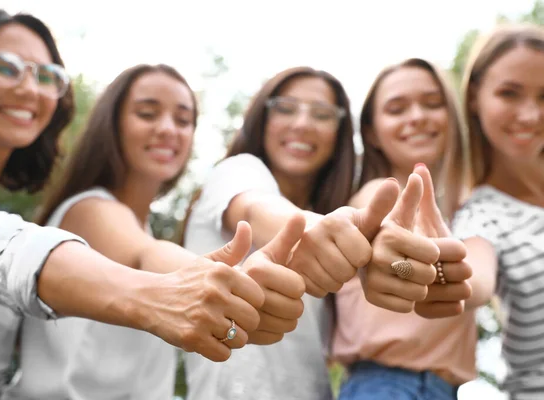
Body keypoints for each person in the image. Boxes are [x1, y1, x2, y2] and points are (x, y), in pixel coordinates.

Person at [0, 9, 300, 397]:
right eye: (8, 67)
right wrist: (204, 285)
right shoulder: (89, 210)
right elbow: (147, 256)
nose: (30, 88)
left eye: (47, 76)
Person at [182, 66, 434, 400]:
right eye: (286, 108)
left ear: (339, 133)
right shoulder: (239, 171)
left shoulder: (334, 214)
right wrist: (328, 234)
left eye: (322, 114)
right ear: (263, 119)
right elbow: (258, 209)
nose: (302, 123)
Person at [332, 58, 475, 400]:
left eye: (432, 103)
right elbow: (379, 227)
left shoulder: (466, 209)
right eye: (397, 109)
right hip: (384, 387)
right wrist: (402, 260)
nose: (417, 117)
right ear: (371, 132)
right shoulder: (374, 196)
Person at [451, 24, 544, 399]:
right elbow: (470, 279)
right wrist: (419, 269)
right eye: (509, 93)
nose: (530, 115)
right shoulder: (481, 215)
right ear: (475, 97)